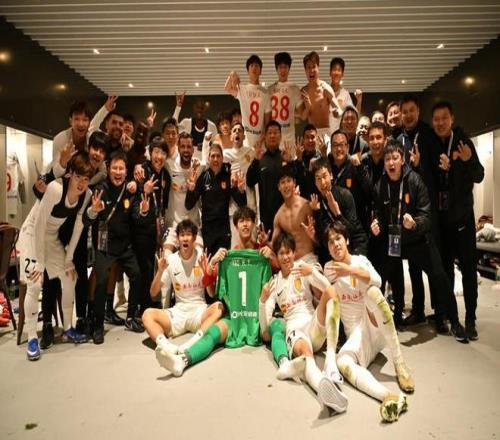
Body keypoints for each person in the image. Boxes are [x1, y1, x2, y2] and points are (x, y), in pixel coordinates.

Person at [370, 140, 467, 341]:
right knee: (378, 277)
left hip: (418, 239)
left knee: (439, 277)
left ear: (402, 159)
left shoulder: (415, 181)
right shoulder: (380, 185)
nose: (391, 162)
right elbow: (379, 213)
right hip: (394, 241)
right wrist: (376, 223)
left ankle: (455, 321)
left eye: (395, 158)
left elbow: (426, 216)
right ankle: (379, 322)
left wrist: (414, 224)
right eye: (387, 159)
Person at [323, 222, 414, 422]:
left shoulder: (360, 260)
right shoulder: (329, 268)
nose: (335, 244)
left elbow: (378, 280)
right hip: (357, 337)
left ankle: (399, 362)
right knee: (342, 362)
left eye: (338, 238)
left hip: (374, 326)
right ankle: (389, 397)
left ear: (347, 240)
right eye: (330, 242)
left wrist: (350, 270)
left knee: (373, 292)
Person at [259, 232, 348, 413]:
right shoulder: (274, 283)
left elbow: (328, 289)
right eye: (282, 253)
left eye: (289, 252)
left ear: (294, 253)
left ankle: (331, 360)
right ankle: (322, 387)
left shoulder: (303, 268)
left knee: (331, 293)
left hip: (313, 325)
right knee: (307, 356)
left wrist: (313, 273)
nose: (286, 257)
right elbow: (264, 329)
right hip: (295, 331)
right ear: (276, 256)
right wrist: (262, 301)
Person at [19, 152, 94, 360]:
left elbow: (78, 228)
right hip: (32, 234)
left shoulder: (86, 195)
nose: (81, 183)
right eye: (78, 177)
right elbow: (39, 225)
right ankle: (32, 338)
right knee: (35, 283)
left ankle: (68, 327)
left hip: (51, 238)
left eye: (86, 179)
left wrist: (68, 259)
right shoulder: (55, 188)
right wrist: (39, 263)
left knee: (71, 277)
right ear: (70, 174)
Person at [83, 150, 150, 342]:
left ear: (126, 171)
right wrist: (93, 211)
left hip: (124, 245)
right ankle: (97, 325)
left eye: (121, 168)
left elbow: (136, 215)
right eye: (115, 168)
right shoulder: (100, 189)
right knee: (101, 281)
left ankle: (130, 317)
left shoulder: (130, 190)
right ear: (108, 169)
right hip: (104, 245)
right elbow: (86, 220)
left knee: (137, 275)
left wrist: (143, 211)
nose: (118, 172)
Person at [432, 101, 484, 340]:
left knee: (468, 271)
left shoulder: (463, 143)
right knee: (446, 273)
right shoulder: (433, 145)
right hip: (443, 223)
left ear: (451, 119)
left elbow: (479, 175)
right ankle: (451, 317)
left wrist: (467, 161)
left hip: (463, 220)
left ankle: (470, 319)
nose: (440, 123)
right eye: (436, 119)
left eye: (444, 118)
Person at [143, 219, 224, 355]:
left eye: (188, 234)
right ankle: (167, 347)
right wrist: (160, 271)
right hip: (178, 313)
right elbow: (153, 293)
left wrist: (207, 273)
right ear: (178, 239)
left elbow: (211, 293)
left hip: (199, 312)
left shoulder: (202, 257)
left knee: (219, 307)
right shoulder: (171, 260)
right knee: (147, 314)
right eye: (182, 235)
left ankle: (193, 342)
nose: (185, 238)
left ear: (194, 238)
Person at [185, 142, 247, 257]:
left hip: (223, 230)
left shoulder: (228, 176)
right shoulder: (203, 177)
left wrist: (241, 190)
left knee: (222, 263)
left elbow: (242, 203)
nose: (215, 159)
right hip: (207, 230)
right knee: (209, 263)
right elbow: (189, 205)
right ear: (208, 159)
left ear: (222, 158)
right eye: (213, 156)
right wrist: (190, 190)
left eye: (218, 156)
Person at [132, 137, 171, 312]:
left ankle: (148, 302)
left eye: (163, 153)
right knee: (144, 268)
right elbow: (133, 195)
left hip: (157, 227)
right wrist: (143, 189)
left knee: (153, 267)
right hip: (140, 227)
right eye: (156, 152)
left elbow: (163, 204)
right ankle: (142, 307)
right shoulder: (142, 171)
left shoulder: (166, 176)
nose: (159, 156)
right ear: (150, 153)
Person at [310, 157, 368, 263]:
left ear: (331, 176)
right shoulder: (317, 203)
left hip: (355, 243)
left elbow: (352, 231)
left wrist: (337, 213)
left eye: (324, 176)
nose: (322, 182)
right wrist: (317, 213)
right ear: (315, 182)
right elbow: (324, 239)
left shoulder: (345, 194)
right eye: (318, 178)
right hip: (335, 246)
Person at [246, 120, 289, 233]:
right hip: (266, 218)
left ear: (280, 136)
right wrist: (255, 160)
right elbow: (249, 181)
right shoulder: (260, 159)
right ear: (265, 136)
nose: (272, 136)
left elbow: (294, 182)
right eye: (269, 133)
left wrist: (290, 163)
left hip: (286, 215)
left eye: (275, 132)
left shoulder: (285, 157)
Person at [327, 130, 372, 232]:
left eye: (342, 145)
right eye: (335, 145)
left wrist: (360, 167)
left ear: (347, 147)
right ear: (331, 148)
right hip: (334, 227)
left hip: (355, 226)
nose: (339, 149)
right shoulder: (327, 167)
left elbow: (369, 192)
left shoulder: (356, 165)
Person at [272, 165, 317, 263]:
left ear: (294, 183)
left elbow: (319, 239)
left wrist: (313, 236)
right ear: (279, 187)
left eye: (289, 181)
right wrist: (265, 242)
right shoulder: (278, 216)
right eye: (283, 182)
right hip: (290, 263)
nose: (286, 185)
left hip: (309, 259)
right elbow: (274, 245)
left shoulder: (306, 206)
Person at [224, 54, 271, 149]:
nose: (254, 68)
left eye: (257, 66)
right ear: (248, 70)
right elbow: (227, 88)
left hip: (260, 144)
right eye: (251, 66)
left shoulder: (266, 93)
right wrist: (232, 75)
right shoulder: (242, 89)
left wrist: (261, 140)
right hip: (245, 142)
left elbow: (267, 123)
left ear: (260, 71)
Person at [223, 122, 257, 246]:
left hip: (249, 202)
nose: (237, 132)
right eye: (234, 130)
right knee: (236, 244)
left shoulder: (251, 152)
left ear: (244, 136)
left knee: (252, 243)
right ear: (231, 137)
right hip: (233, 206)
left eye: (240, 130)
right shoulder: (225, 154)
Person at [268, 52, 306, 146]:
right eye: (280, 67)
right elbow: (267, 116)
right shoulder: (270, 89)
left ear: (289, 68)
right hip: (273, 137)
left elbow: (302, 115)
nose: (283, 70)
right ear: (276, 69)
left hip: (289, 139)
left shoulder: (295, 89)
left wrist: (308, 106)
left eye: (285, 67)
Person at [300, 51, 337, 144]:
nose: (311, 70)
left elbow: (338, 111)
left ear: (318, 67)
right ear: (305, 70)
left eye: (314, 67)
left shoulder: (326, 88)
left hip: (326, 132)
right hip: (311, 133)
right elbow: (303, 117)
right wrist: (308, 107)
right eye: (308, 67)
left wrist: (334, 110)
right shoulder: (304, 91)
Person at [173, 92, 217, 159]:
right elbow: (173, 127)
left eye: (202, 108)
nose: (199, 110)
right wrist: (178, 107)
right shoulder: (186, 123)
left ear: (205, 109)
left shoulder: (211, 126)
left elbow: (215, 146)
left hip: (205, 163)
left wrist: (207, 146)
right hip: (188, 162)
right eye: (197, 107)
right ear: (194, 108)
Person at [328, 57, 362, 132]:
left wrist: (359, 100)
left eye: (339, 70)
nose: (336, 73)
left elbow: (355, 115)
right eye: (334, 69)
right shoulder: (325, 91)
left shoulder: (345, 94)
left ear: (342, 74)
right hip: (324, 134)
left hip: (339, 134)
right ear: (330, 73)